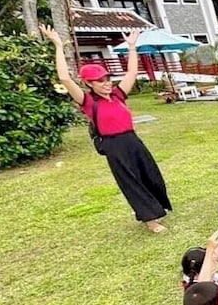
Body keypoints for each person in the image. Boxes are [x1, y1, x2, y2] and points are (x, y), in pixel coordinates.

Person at [40, 25, 171, 233]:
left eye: (107, 79)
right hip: (114, 145)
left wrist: (132, 47)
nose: (106, 83)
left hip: (132, 140)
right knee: (131, 181)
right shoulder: (88, 102)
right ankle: (150, 220)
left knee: (149, 173)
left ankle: (158, 206)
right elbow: (65, 78)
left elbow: (132, 72)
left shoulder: (118, 95)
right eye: (100, 81)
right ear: (89, 83)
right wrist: (57, 45)